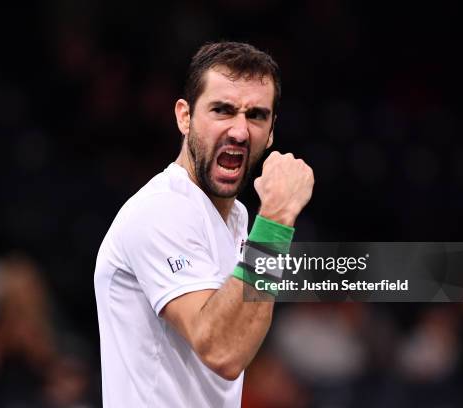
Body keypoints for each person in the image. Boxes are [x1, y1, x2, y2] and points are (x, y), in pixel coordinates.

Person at [94, 41, 314, 407]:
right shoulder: (160, 210)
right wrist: (277, 216)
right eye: (222, 110)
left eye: (256, 115)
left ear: (272, 130)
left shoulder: (241, 219)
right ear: (184, 116)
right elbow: (223, 350)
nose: (240, 132)